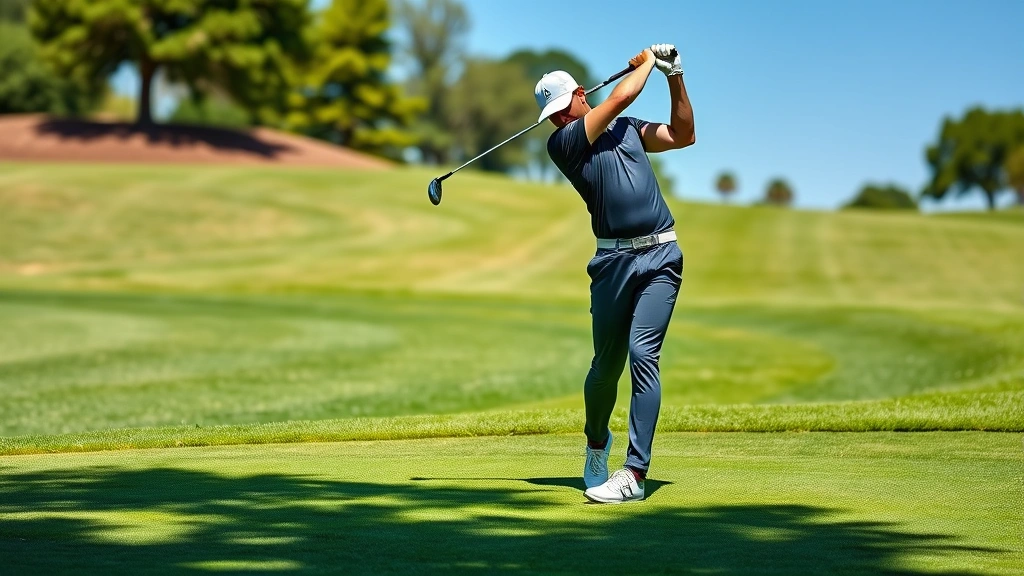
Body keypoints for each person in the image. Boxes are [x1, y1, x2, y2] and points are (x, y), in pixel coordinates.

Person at [535, 44, 695, 503]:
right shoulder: (563, 144)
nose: (560, 119)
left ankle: (635, 473)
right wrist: (647, 63)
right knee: (606, 366)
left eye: (564, 109)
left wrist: (673, 74)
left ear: (580, 95)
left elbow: (684, 135)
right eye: (553, 115)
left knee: (644, 354)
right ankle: (595, 444)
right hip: (611, 263)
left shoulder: (627, 131)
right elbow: (621, 98)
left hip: (661, 256)